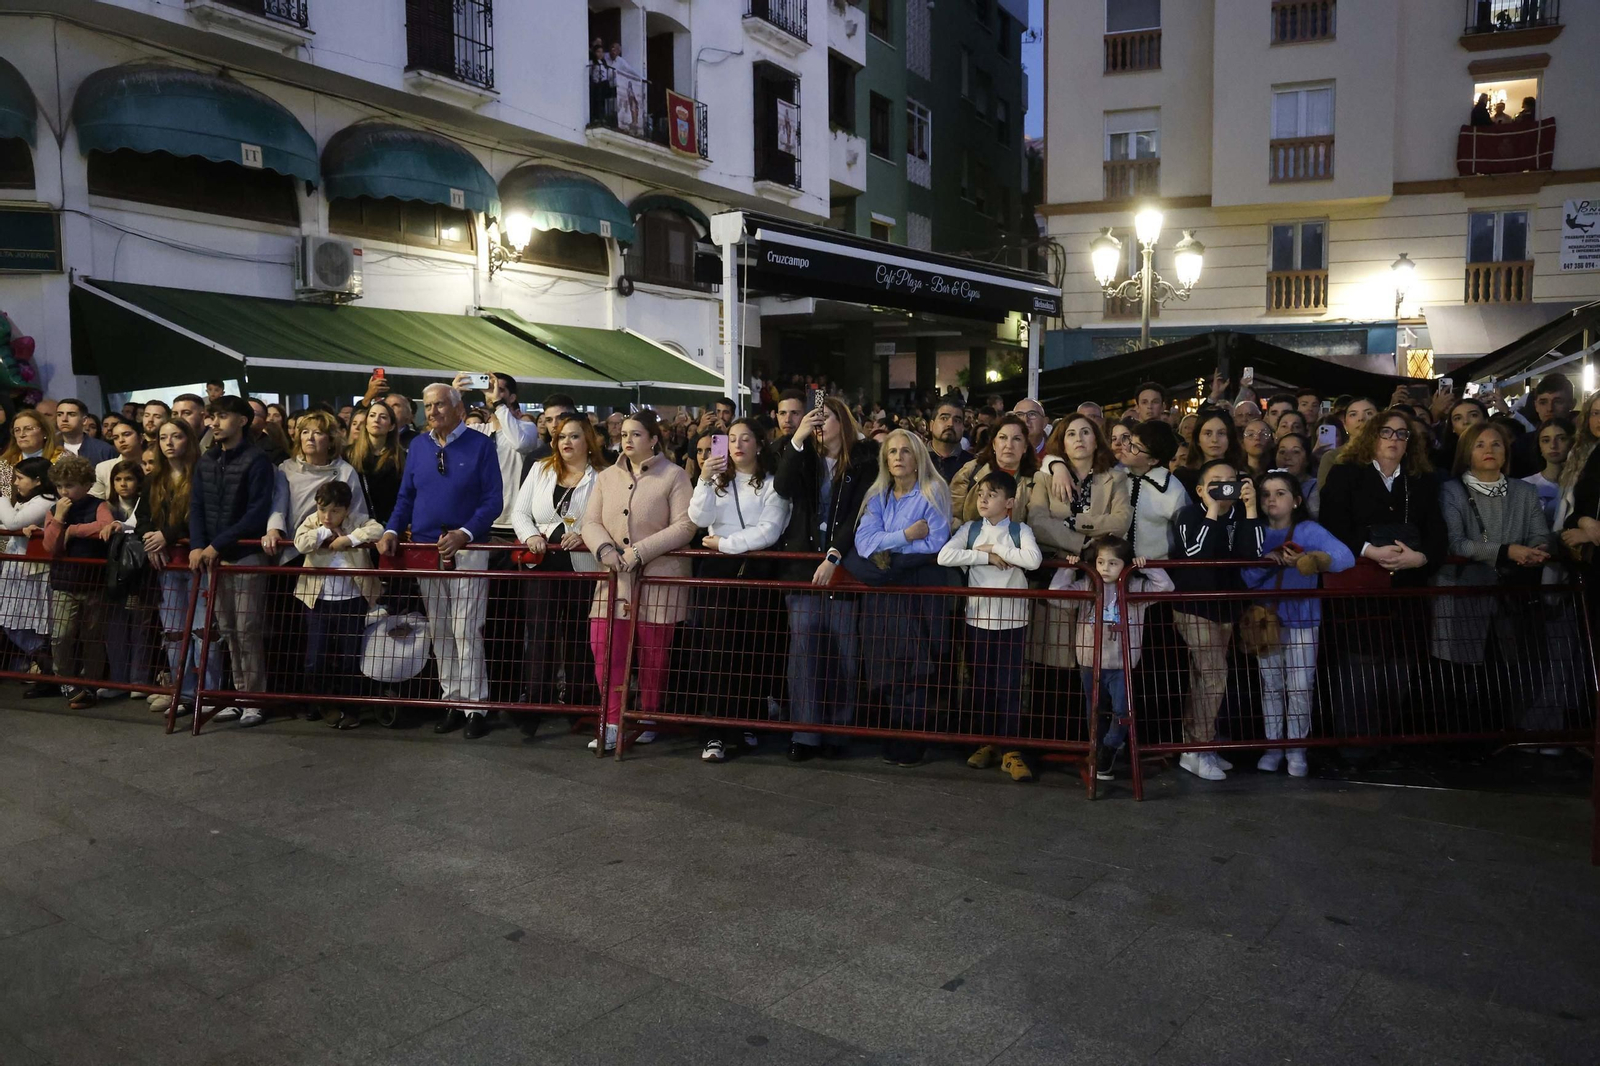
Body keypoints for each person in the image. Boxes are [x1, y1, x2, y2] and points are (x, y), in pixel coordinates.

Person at [378, 384, 502, 739]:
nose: (432, 412)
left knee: (466, 628)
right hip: (425, 549)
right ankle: (452, 700)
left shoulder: (481, 445)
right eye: (428, 406)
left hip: (468, 549)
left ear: (458, 408)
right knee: (441, 629)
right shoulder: (418, 446)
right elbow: (405, 497)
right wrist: (391, 529)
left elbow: (493, 500)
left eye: (440, 405)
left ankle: (475, 706)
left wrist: (465, 533)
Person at [581, 410, 696, 753]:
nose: (627, 440)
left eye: (636, 434)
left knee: (653, 657)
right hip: (614, 581)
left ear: (654, 439)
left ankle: (648, 716)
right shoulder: (606, 477)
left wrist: (640, 552)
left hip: (659, 581)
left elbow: (685, 526)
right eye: (624, 434)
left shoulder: (674, 475)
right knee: (605, 649)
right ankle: (612, 721)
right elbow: (590, 521)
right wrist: (604, 549)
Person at [774, 397, 878, 760]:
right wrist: (798, 438)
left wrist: (835, 555)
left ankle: (838, 732)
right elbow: (782, 486)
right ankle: (804, 735)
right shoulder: (801, 456)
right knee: (803, 654)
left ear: (843, 422)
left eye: (826, 417)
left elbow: (858, 514)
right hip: (803, 570)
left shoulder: (864, 461)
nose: (818, 424)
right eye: (814, 418)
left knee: (844, 654)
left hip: (843, 569)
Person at [688, 417, 793, 762]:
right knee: (717, 652)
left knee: (752, 649)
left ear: (760, 445)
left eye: (746, 438)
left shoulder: (774, 485)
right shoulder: (717, 480)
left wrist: (724, 544)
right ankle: (714, 731)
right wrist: (704, 479)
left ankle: (747, 721)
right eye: (731, 438)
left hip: (756, 573)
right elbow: (699, 518)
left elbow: (769, 530)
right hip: (718, 576)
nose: (737, 445)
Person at [1242, 471, 1354, 777]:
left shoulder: (1308, 530)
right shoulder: (1254, 531)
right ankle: (1273, 747)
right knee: (1271, 685)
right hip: (1265, 620)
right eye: (1266, 494)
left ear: (1296, 500)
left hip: (1303, 616)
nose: (1272, 499)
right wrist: (1268, 561)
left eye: (1280, 493)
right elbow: (1245, 577)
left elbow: (1345, 557)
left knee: (1301, 685)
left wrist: (1312, 560)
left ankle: (1296, 750)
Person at [851, 428, 952, 767]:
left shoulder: (934, 490)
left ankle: (915, 736)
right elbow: (865, 543)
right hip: (885, 593)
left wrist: (888, 545)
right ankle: (895, 730)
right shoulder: (877, 495)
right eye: (892, 452)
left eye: (905, 451)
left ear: (917, 456)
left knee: (918, 664)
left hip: (921, 588)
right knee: (888, 663)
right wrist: (906, 534)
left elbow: (934, 542)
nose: (898, 457)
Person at [938, 470, 1043, 780]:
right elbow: (945, 556)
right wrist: (984, 557)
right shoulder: (970, 529)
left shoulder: (1019, 530)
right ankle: (986, 743)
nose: (983, 499)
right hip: (978, 620)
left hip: (1012, 622)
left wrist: (995, 550)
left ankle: (1011, 749)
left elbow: (1033, 560)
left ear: (1009, 502)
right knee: (981, 684)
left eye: (992, 495)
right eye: (981, 493)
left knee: (1009, 686)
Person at [1170, 458, 1265, 781]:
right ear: (1200, 490)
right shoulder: (1189, 514)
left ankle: (1195, 747)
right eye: (1217, 483)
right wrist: (1212, 510)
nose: (1226, 487)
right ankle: (1199, 747)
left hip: (1226, 606)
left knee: (1204, 676)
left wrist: (1250, 509)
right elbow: (1195, 554)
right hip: (1193, 606)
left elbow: (1254, 554)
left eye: (1231, 481)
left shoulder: (1240, 514)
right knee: (1214, 674)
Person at [511, 412, 606, 731]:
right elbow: (520, 512)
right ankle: (537, 702)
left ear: (588, 440)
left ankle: (580, 703)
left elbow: (608, 519)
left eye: (574, 436)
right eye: (562, 436)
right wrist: (531, 536)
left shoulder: (602, 476)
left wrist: (584, 535)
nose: (567, 442)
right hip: (543, 564)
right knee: (541, 634)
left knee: (580, 635)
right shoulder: (540, 469)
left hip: (584, 566)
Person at [1053, 535, 1173, 781]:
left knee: (1123, 710)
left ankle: (1109, 748)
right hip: (1090, 661)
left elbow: (1166, 587)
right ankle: (1097, 751)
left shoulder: (1135, 587)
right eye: (1100, 562)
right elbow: (1055, 595)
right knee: (1094, 710)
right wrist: (1068, 569)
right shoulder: (1088, 585)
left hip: (1121, 662)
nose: (1105, 568)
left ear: (1125, 565)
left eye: (1113, 563)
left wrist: (1146, 566)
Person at [1432, 422, 1550, 668]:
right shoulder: (1451, 491)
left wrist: (1538, 548)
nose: (1489, 450)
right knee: (1460, 673)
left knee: (1512, 670)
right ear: (1467, 452)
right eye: (1480, 445)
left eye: (1496, 444)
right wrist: (1507, 551)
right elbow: (1456, 544)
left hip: (1511, 593)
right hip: (1464, 593)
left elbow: (1539, 533)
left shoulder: (1525, 491)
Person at [189, 397, 276, 726]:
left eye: (222, 416)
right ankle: (240, 693)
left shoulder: (257, 459)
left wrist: (215, 544)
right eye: (212, 416)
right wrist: (198, 545)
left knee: (247, 628)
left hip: (243, 554)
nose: (213, 422)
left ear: (242, 420)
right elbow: (196, 506)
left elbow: (256, 513)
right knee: (227, 629)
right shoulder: (207, 459)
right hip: (215, 556)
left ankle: (254, 697)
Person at [136, 418, 213, 718]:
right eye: (163, 437)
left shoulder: (202, 474)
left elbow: (201, 517)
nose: (168, 443)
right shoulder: (154, 479)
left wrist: (165, 536)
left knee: (204, 631)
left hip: (196, 560)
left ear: (189, 440)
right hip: (166, 563)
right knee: (174, 632)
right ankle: (183, 691)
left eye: (176, 436)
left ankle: (208, 691)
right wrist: (150, 540)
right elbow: (142, 518)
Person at [293, 480, 384, 731]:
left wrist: (349, 539)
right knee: (315, 658)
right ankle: (322, 704)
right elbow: (300, 542)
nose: (327, 516)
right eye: (323, 509)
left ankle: (351, 709)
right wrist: (322, 533)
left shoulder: (356, 520)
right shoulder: (313, 522)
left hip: (352, 601)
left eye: (334, 511)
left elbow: (377, 530)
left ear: (346, 509)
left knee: (350, 658)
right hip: (317, 601)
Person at [1319, 409, 1446, 588]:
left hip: (1409, 583)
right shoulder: (1344, 473)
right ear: (1371, 437)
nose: (1394, 438)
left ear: (1408, 442)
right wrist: (1368, 550)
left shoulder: (1421, 478)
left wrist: (1420, 558)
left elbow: (1436, 530)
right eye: (1386, 432)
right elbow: (1331, 523)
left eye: (1401, 434)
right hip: (1358, 582)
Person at [39, 455, 109, 709]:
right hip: (64, 582)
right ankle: (65, 680)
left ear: (86, 485)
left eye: (69, 485)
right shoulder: (54, 510)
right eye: (59, 486)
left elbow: (105, 526)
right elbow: (50, 546)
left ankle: (91, 682)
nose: (63, 491)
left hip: (93, 581)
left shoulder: (98, 505)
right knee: (61, 634)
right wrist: (59, 519)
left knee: (92, 636)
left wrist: (73, 530)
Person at [265, 409, 368, 564]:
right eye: (305, 432)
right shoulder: (286, 468)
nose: (310, 438)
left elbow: (356, 512)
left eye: (318, 433)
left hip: (331, 548)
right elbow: (279, 504)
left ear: (330, 441)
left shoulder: (345, 471)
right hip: (294, 546)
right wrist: (273, 530)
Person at [96, 458, 154, 700]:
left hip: (141, 574)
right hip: (113, 576)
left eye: (128, 479)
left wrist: (121, 526)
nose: (123, 484)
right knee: (115, 628)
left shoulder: (147, 502)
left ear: (139, 482)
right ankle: (119, 679)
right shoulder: (107, 507)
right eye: (118, 479)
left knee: (141, 627)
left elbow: (136, 525)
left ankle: (140, 680)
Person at [456, 373, 538, 533]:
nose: (492, 393)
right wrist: (455, 395)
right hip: (478, 519)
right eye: (489, 388)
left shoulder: (527, 428)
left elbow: (520, 444)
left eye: (499, 389)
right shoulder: (476, 430)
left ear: (512, 397)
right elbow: (447, 435)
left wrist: (498, 403)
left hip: (515, 520)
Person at [0, 457, 55, 679]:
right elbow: (13, 524)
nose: (16, 483)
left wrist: (1, 497)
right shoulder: (31, 500)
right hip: (19, 571)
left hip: (33, 572)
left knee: (22, 624)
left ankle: (50, 670)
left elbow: (13, 522)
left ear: (38, 480)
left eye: (20, 478)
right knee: (12, 621)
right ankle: (46, 669)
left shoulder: (45, 501)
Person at [1121, 420, 1190, 562]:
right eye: (1129, 440)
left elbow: (1186, 534)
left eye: (1135, 447)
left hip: (1157, 569)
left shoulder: (1173, 490)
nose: (1126, 448)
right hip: (1113, 567)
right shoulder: (1117, 477)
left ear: (1153, 460)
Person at [951, 414, 1036, 525]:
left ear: (1025, 447)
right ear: (994, 444)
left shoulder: (1035, 480)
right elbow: (953, 515)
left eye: (1017, 439)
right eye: (1003, 438)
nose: (1009, 445)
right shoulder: (971, 470)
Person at [1311, 396, 1379, 513]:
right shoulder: (1332, 457)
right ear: (1345, 424)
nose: (1361, 418)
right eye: (1353, 414)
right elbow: (1327, 501)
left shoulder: (1388, 454)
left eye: (1369, 413)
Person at [346, 401, 407, 526]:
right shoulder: (348, 454)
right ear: (366, 423)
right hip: (355, 523)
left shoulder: (401, 458)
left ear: (391, 426)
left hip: (389, 524)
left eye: (383, 417)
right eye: (372, 415)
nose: (376, 420)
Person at [1176, 408, 1247, 498]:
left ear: (1230, 438)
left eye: (1221, 433)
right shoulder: (1183, 477)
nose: (1214, 440)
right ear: (1197, 439)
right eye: (1208, 433)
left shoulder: (1243, 479)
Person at [0, 409, 62, 502]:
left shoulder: (62, 460)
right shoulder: (5, 463)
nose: (22, 435)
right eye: (17, 430)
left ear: (45, 432)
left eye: (28, 429)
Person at [1523, 418, 1571, 525]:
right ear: (1539, 446)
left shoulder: (1582, 485)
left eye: (1561, 439)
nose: (1553, 445)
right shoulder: (1525, 486)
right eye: (1546, 440)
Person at [91, 420, 144, 501]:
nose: (121, 440)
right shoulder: (104, 468)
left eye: (126, 435)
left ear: (141, 437)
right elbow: (95, 501)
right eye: (116, 438)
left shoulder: (153, 465)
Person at [927, 397, 973, 485]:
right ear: (931, 425)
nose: (950, 424)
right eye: (944, 418)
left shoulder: (972, 465)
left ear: (963, 428)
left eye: (957, 420)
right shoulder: (916, 460)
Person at [55, 399, 115, 464]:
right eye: (59, 414)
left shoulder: (103, 450)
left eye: (71, 414)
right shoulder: (50, 448)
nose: (64, 419)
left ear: (84, 420)